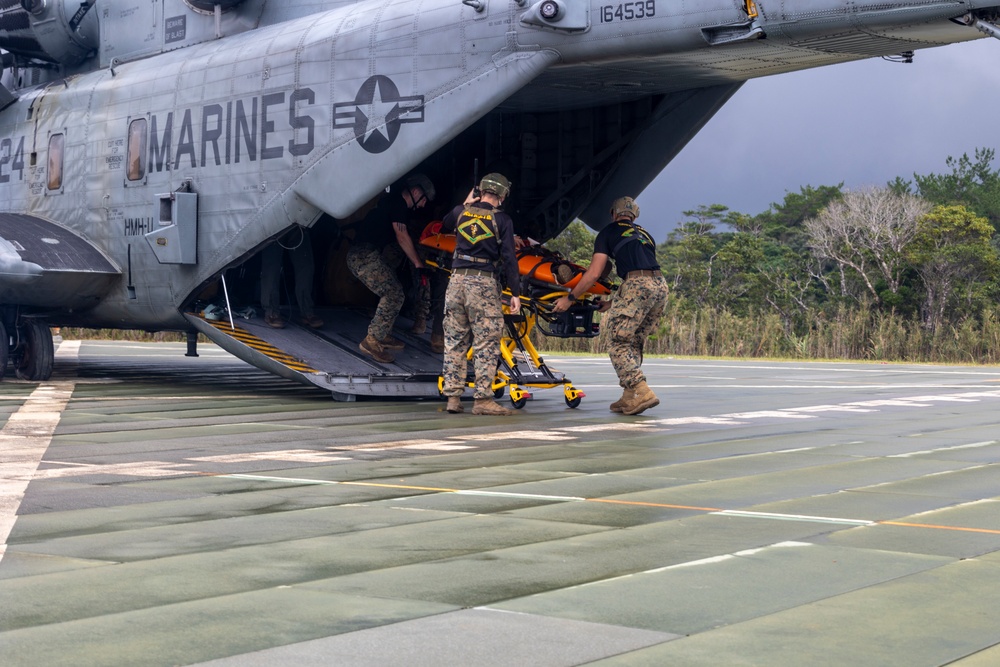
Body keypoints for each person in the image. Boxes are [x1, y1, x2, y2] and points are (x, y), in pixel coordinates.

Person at [552, 196, 667, 415]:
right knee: (633, 341)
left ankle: (641, 389)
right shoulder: (645, 234)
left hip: (636, 285)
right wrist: (613, 303)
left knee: (618, 342)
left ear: (614, 214)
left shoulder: (608, 232)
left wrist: (570, 298)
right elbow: (643, 275)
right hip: (660, 286)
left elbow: (594, 273)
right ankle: (629, 395)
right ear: (634, 215)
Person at [440, 173, 521, 416]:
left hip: (456, 282)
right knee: (486, 343)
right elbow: (509, 258)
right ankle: (483, 400)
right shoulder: (503, 220)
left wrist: (466, 203)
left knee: (455, 341)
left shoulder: (460, 212)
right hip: (483, 284)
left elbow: (444, 223)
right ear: (503, 195)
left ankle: (453, 398)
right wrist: (515, 292)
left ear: (481, 190)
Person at [347, 173, 434, 363]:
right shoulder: (398, 205)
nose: (423, 205)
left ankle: (383, 332)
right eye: (424, 199)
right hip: (363, 256)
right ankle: (372, 341)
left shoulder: (392, 202)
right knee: (394, 294)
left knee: (394, 289)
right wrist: (419, 264)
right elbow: (402, 236)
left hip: (367, 254)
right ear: (416, 191)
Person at [261, 227, 323, 329]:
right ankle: (271, 312)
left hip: (298, 223)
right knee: (271, 266)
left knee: (306, 265)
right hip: (274, 223)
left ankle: (307, 311)